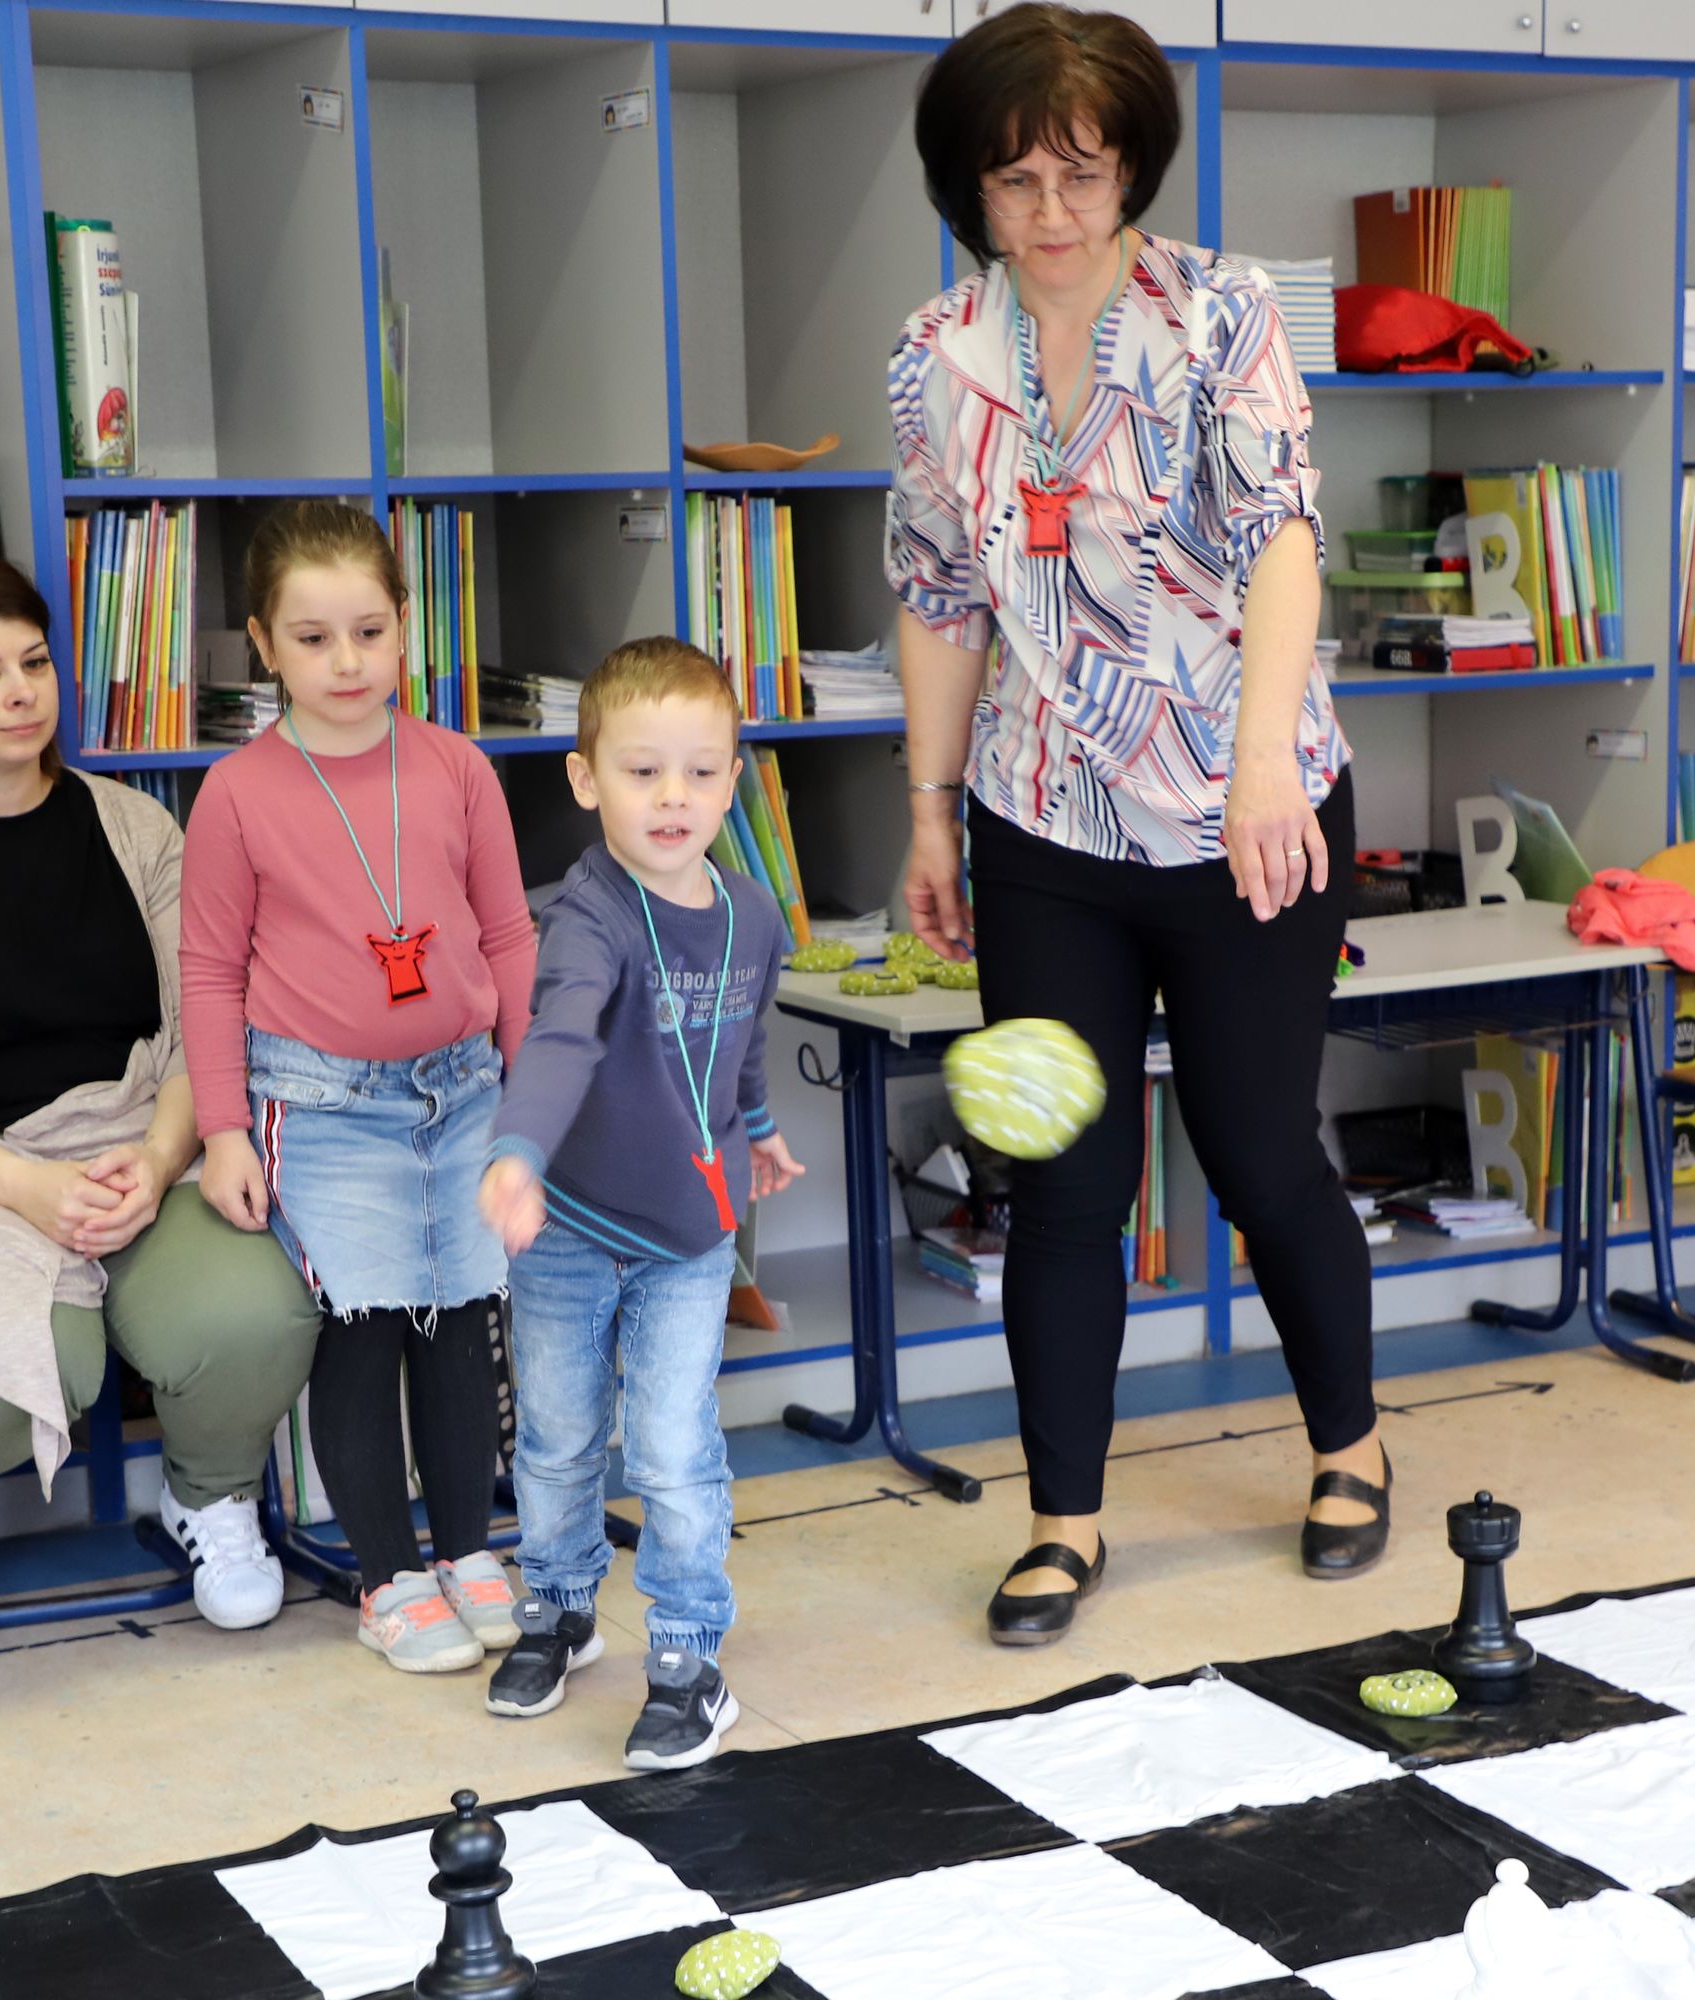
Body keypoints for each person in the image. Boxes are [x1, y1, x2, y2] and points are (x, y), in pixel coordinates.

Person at [886, 5, 1384, 1645]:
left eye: (1082, 174)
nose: (1050, 210)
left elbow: (1283, 539)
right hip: (1045, 824)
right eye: (1014, 178)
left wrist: (1261, 766)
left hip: (1249, 811)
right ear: (969, 184)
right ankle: (1065, 1525)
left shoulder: (1221, 313)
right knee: (1061, 1179)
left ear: (1132, 170)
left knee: (1256, 1149)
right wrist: (932, 815)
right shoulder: (935, 357)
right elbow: (940, 595)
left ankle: (1350, 1448)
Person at [0, 549, 322, 1677]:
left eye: (34, 663)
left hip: (143, 1139)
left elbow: (199, 1028)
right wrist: (27, 1187)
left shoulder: (138, 828)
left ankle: (211, 1497)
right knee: (10, 1363)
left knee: (256, 1311)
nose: (21, 694)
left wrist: (160, 1155)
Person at [180, 500, 536, 1675]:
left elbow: (507, 932)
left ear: (404, 627)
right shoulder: (237, 792)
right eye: (313, 637)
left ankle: (468, 1548)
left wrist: (531, 1099)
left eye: (369, 632)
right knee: (368, 1326)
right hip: (324, 1105)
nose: (346, 661)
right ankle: (388, 1575)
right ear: (261, 644)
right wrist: (224, 1129)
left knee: (461, 1320)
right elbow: (210, 969)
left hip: (465, 1090)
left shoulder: (458, 766)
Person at [477, 639, 804, 1771]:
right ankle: (560, 1609)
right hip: (567, 1225)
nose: (674, 798)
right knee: (559, 1440)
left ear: (733, 779)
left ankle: (687, 1659)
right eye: (642, 771)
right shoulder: (588, 920)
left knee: (670, 1448)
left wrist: (758, 1126)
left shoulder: (754, 914)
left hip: (689, 1235)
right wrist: (518, 1154)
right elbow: (560, 1040)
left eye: (701, 773)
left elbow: (740, 1040)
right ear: (585, 779)